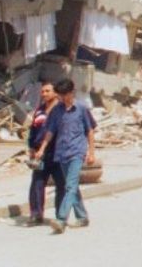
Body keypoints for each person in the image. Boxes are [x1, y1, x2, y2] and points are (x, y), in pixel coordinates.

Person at [33, 78, 97, 234]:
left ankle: (61, 219)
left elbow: (90, 131)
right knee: (72, 186)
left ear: (71, 93)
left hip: (77, 152)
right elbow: (50, 132)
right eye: (60, 95)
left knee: (70, 185)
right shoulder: (56, 111)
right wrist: (42, 148)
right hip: (61, 153)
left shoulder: (82, 109)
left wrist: (91, 153)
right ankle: (82, 216)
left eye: (64, 95)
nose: (62, 98)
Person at [24, 82, 58, 226]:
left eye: (47, 91)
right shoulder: (39, 110)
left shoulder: (60, 110)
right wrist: (31, 147)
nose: (44, 94)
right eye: (42, 91)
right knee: (37, 182)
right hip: (39, 152)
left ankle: (63, 214)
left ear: (55, 93)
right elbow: (33, 129)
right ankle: (36, 214)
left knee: (63, 184)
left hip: (56, 151)